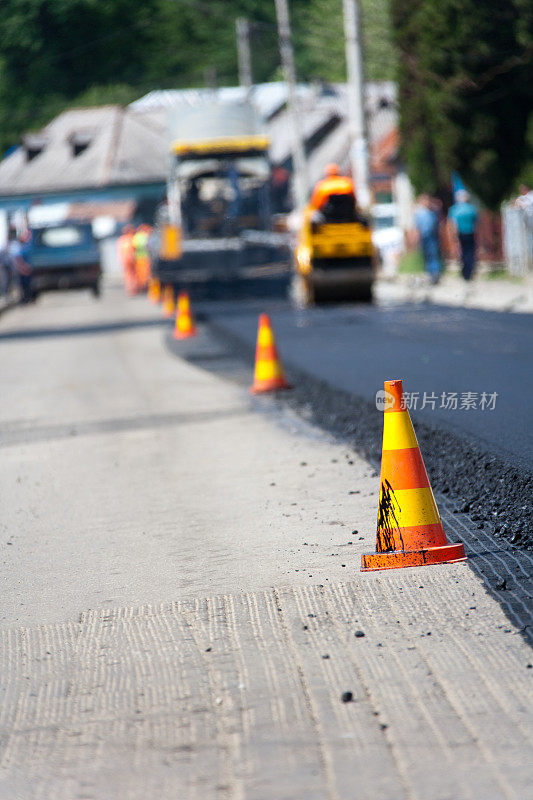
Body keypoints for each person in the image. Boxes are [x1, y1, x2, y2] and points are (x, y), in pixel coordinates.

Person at [448, 190, 478, 281]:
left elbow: (452, 223)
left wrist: (453, 234)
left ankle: (465, 271)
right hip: (470, 232)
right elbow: (476, 221)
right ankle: (469, 271)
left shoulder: (454, 209)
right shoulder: (471, 208)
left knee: (461, 252)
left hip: (460, 233)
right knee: (470, 252)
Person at [413, 194, 442, 284]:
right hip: (424, 237)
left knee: (433, 255)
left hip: (432, 237)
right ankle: (430, 274)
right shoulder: (419, 213)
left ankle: (435, 274)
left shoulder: (433, 212)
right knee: (426, 256)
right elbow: (417, 227)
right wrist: (416, 237)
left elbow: (438, 224)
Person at [8, 228, 33, 303]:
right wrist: (23, 269)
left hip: (22, 269)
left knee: (25, 284)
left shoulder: (22, 245)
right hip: (19, 270)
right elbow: (17, 259)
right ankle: (24, 298)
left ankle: (27, 297)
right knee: (21, 284)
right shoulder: (16, 245)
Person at [117, 224, 137, 295]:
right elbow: (135, 249)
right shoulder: (131, 238)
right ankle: (133, 289)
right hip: (131, 259)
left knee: (128, 275)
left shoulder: (121, 239)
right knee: (132, 275)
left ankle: (130, 289)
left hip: (125, 260)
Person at [132, 224, 152, 291]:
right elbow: (138, 246)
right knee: (142, 274)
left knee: (145, 273)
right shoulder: (140, 236)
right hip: (141, 258)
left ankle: (144, 286)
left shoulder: (141, 236)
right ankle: (143, 287)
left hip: (144, 257)